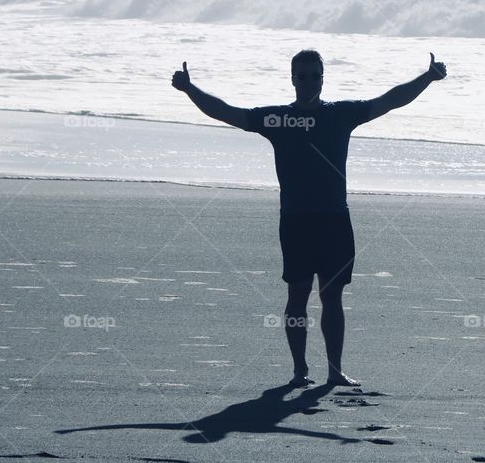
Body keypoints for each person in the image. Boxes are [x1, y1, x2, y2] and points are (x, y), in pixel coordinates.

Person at [171, 49, 447, 387]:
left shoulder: (342, 114)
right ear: (292, 79)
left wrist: (428, 77)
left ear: (322, 77)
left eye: (314, 75)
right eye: (302, 76)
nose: (308, 82)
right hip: (297, 221)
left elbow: (390, 100)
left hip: (335, 220)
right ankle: (299, 370)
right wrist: (190, 89)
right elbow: (229, 113)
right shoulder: (278, 118)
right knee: (298, 296)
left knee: (332, 296)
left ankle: (334, 371)